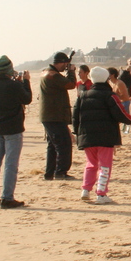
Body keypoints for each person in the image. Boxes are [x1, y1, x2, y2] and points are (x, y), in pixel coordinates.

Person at [73, 67, 131, 204]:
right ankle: (101, 194)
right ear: (106, 79)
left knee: (91, 164)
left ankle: (85, 190)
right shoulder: (110, 95)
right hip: (106, 136)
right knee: (105, 165)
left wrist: (77, 132)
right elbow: (119, 113)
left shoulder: (83, 95)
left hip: (87, 135)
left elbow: (75, 116)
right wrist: (130, 120)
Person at [0, 55, 32, 209]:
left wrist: (16, 83)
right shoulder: (13, 85)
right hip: (13, 128)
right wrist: (25, 81)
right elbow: (26, 99)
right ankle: (7, 198)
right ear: (9, 69)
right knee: (10, 165)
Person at [40, 52, 77, 180]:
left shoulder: (46, 72)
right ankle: (61, 172)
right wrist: (71, 72)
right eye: (65, 64)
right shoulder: (53, 75)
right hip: (55, 115)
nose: (65, 67)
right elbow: (71, 85)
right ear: (61, 62)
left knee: (53, 145)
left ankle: (49, 172)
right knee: (64, 144)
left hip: (49, 115)